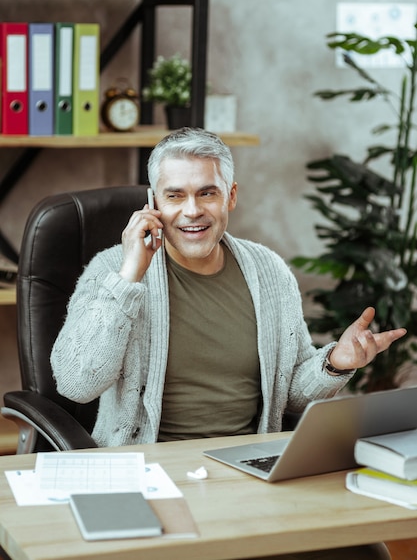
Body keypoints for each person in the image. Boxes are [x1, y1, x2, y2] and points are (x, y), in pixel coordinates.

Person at [51, 127, 404, 560]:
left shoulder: (269, 272)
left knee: (365, 552)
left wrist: (336, 362)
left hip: (250, 468)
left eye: (208, 193)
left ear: (231, 196)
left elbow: (288, 394)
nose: (192, 211)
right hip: (151, 471)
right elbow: (76, 382)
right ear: (152, 202)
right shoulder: (113, 269)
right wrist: (128, 277)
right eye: (175, 195)